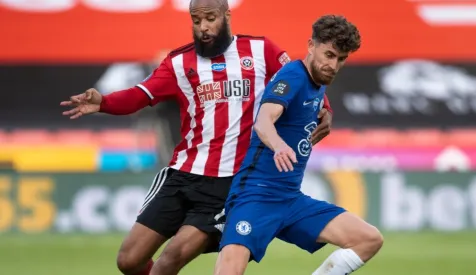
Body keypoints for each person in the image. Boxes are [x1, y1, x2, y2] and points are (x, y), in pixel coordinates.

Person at [60, 1, 334, 275]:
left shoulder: (261, 51)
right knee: (129, 261)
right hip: (182, 176)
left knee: (170, 259)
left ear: (226, 16)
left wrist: (326, 108)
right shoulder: (179, 62)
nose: (203, 27)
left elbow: (303, 80)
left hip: (229, 185)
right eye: (196, 20)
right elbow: (141, 94)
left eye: (210, 18)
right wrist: (104, 102)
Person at [214, 15, 383, 275]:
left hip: (291, 200)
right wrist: (279, 146)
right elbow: (263, 121)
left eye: (341, 59)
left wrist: (326, 111)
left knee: (369, 239)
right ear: (310, 46)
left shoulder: (317, 84)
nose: (333, 65)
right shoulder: (293, 75)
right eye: (328, 54)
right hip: (255, 196)